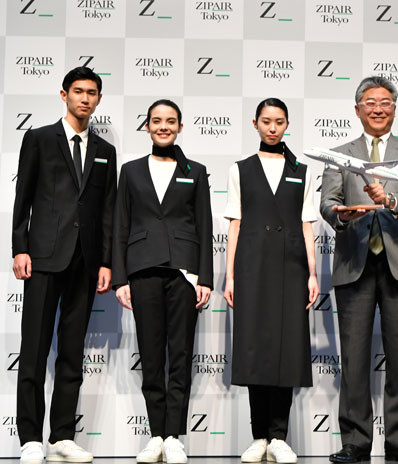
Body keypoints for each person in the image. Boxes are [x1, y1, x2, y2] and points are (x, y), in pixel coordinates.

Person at [321, 76, 398, 464]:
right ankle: (355, 440)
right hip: (354, 263)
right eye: (370, 102)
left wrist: (391, 200)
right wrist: (341, 214)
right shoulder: (339, 155)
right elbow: (327, 202)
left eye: (385, 102)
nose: (378, 109)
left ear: (394, 109)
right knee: (353, 358)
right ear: (357, 110)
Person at [12, 67, 117, 464]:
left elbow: (107, 210)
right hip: (42, 256)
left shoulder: (105, 150)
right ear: (64, 95)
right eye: (78, 91)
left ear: (99, 99)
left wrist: (106, 261)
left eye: (91, 92)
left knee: (72, 353)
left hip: (85, 261)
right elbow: (23, 197)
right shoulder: (39, 138)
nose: (84, 98)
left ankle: (61, 436)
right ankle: (29, 438)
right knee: (34, 350)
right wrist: (19, 248)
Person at [112, 99, 213, 464]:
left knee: (180, 355)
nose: (163, 126)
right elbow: (120, 225)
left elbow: (204, 225)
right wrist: (120, 279)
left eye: (171, 121)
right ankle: (156, 434)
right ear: (148, 126)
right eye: (156, 121)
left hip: (184, 272)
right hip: (142, 270)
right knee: (152, 355)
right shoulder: (131, 171)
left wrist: (205, 278)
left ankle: (174, 436)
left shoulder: (195, 171)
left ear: (180, 127)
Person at [223, 98, 319, 464]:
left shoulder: (302, 171)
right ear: (255, 124)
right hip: (252, 265)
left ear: (287, 124)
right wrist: (230, 276)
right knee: (255, 348)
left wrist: (312, 273)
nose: (273, 127)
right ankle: (259, 436)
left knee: (287, 349)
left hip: (292, 266)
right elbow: (235, 224)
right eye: (266, 121)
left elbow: (307, 225)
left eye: (279, 121)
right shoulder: (241, 169)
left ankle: (279, 436)